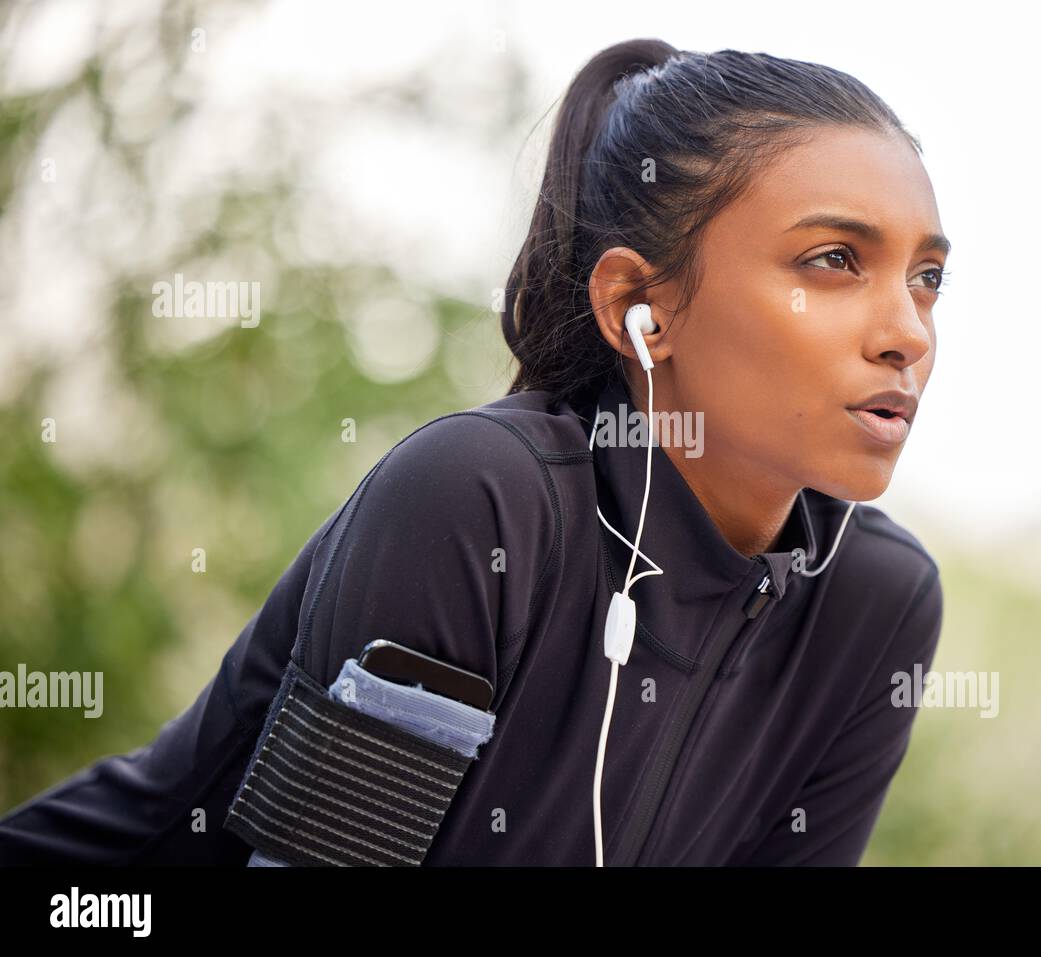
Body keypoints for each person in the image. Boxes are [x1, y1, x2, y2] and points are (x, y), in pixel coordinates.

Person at [0, 37, 948, 867]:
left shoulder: (877, 600)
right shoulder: (484, 503)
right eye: (832, 260)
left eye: (928, 277)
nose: (906, 329)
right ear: (638, 309)